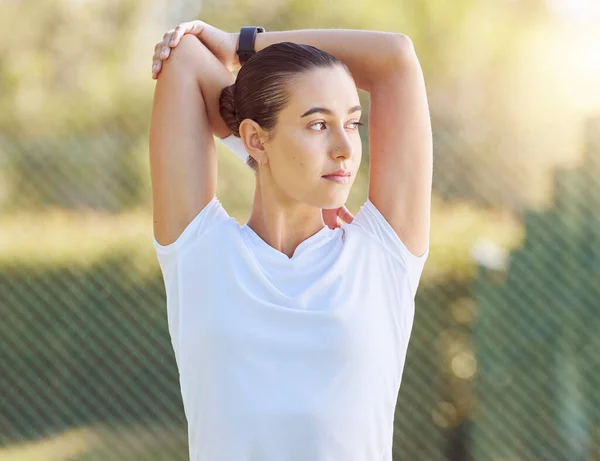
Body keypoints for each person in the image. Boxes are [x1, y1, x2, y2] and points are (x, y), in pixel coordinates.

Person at [149, 20, 432, 461]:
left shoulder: (382, 256)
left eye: (353, 124)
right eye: (319, 125)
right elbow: (185, 59)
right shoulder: (200, 253)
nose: (344, 149)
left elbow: (396, 57)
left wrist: (242, 46)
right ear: (255, 138)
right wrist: (264, 158)